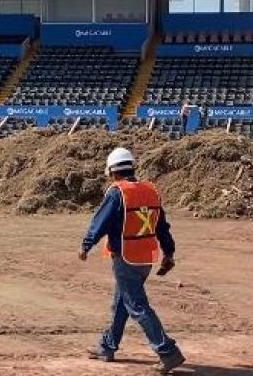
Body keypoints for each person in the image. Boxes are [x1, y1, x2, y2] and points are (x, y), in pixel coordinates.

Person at [79, 148, 185, 373]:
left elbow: (101, 223)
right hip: (145, 259)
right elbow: (162, 227)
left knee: (136, 306)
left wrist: (86, 245)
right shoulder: (150, 191)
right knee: (121, 303)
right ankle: (107, 347)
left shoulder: (117, 193)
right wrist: (169, 253)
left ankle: (167, 352)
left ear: (112, 171)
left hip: (125, 258)